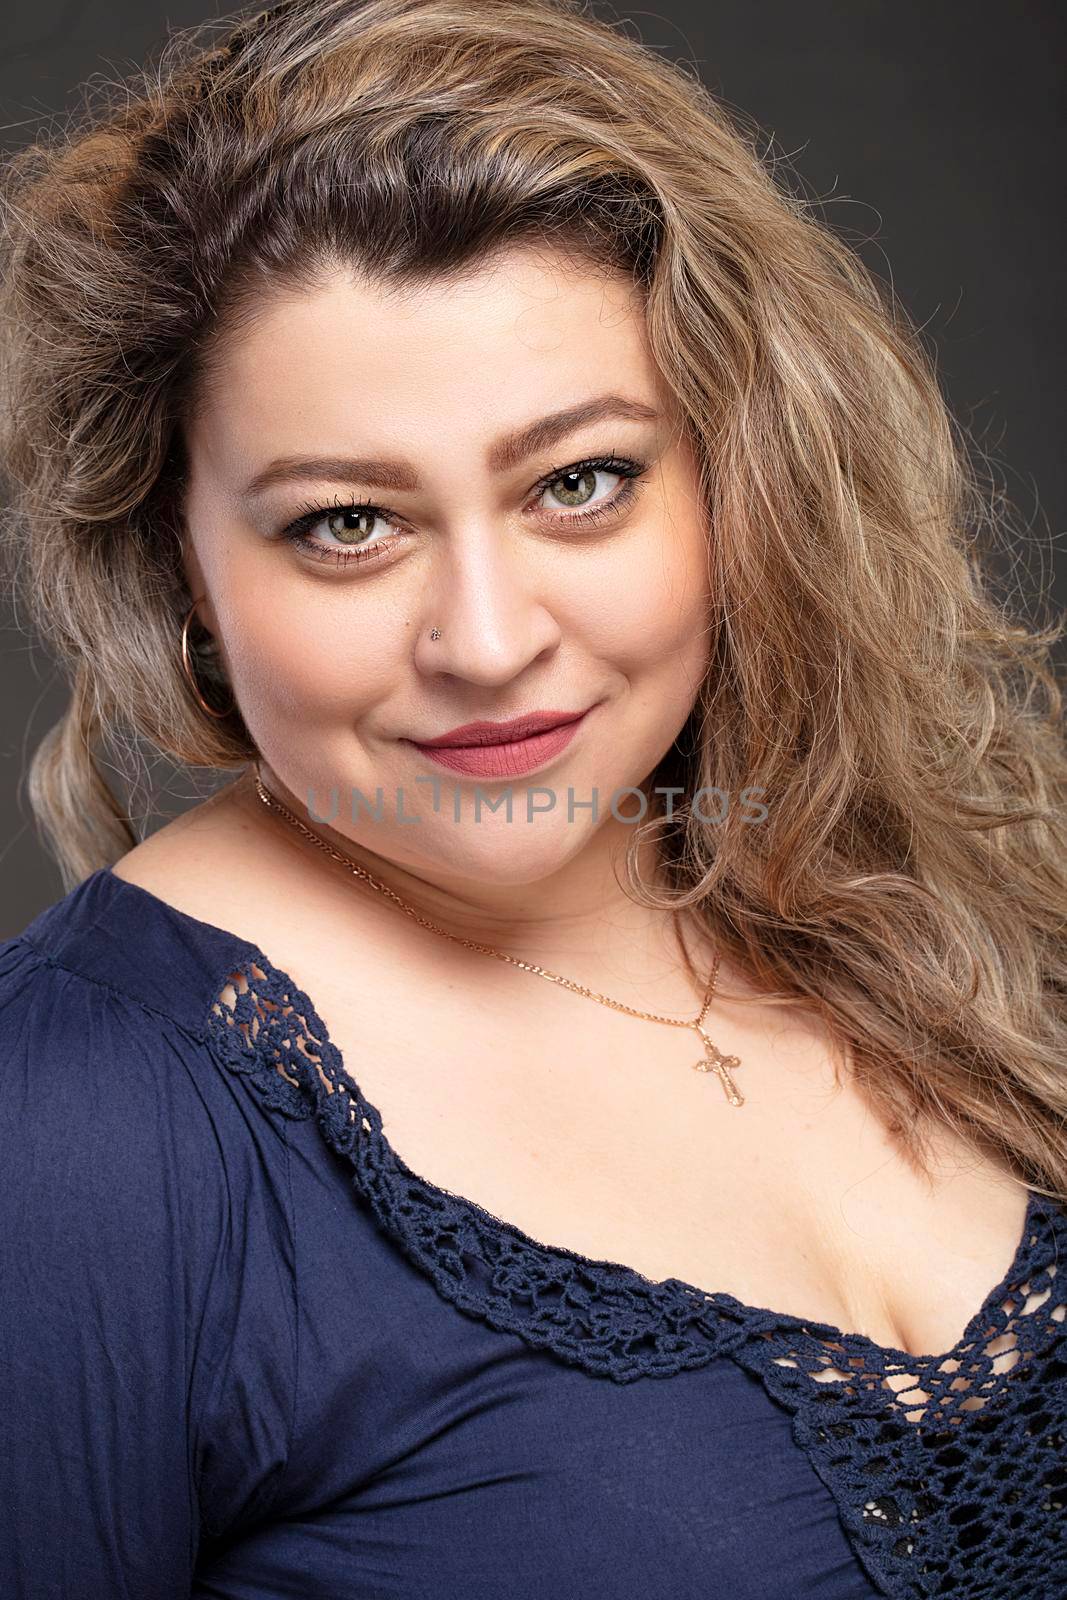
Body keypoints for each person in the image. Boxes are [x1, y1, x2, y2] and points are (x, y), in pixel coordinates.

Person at [1, 0, 1065, 1595]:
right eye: (348, 524)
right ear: (183, 568)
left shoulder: (925, 893)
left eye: (581, 483)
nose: (489, 644)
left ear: (736, 473)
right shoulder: (74, 1129)